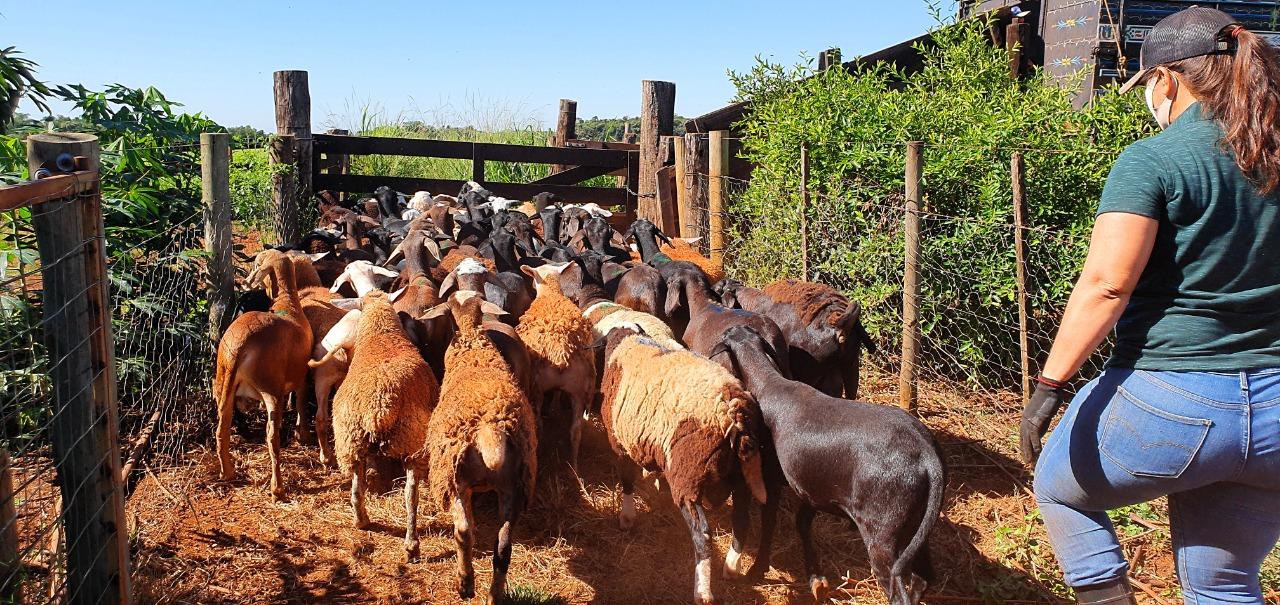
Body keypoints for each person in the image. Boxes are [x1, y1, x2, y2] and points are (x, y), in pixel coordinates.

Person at [1019, 6, 1280, 605]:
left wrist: (1051, 385)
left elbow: (1108, 284)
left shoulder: (1154, 159)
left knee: (1059, 488)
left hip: (1177, 400)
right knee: (1225, 584)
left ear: (1166, 79)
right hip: (1275, 418)